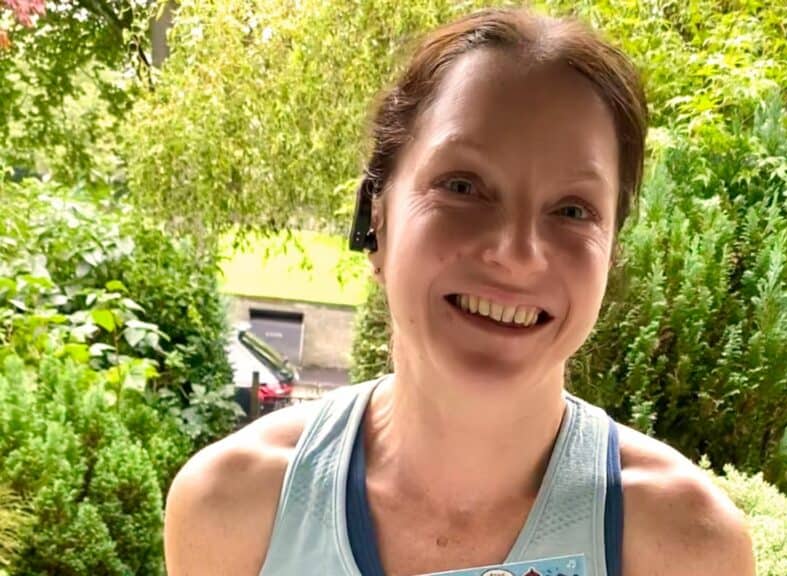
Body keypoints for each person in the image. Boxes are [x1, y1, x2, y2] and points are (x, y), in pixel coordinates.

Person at [165, 7, 756, 576]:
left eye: (573, 209)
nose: (518, 253)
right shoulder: (235, 506)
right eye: (463, 186)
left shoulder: (687, 542)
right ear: (378, 219)